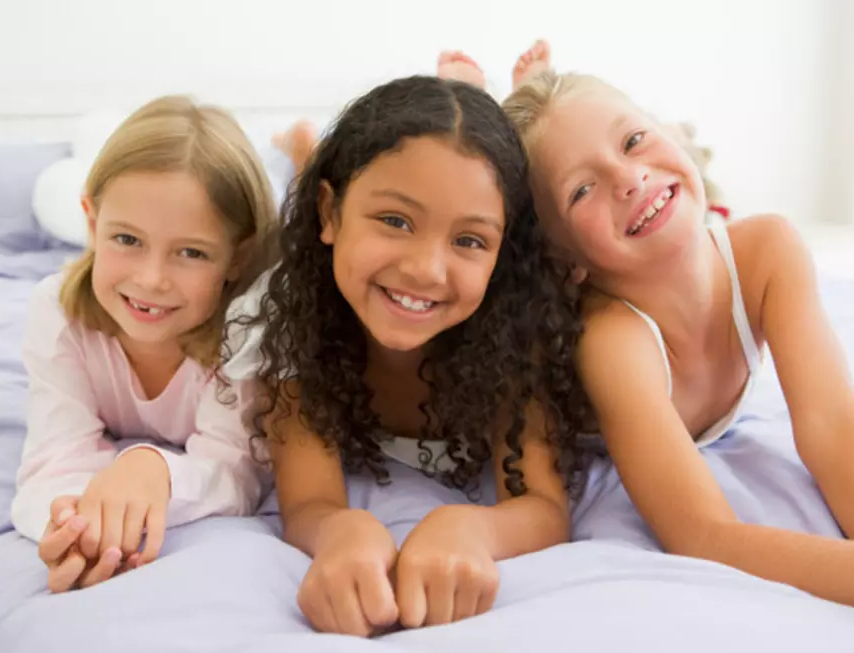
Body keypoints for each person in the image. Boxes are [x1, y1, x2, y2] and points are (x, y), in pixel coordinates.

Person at [497, 40, 854, 619]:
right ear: (567, 259)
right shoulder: (611, 339)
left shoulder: (767, 251)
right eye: (581, 188)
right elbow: (703, 534)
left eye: (634, 140)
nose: (628, 176)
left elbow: (832, 423)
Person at [227, 73, 590, 636]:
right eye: (395, 221)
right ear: (329, 214)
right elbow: (309, 503)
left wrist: (470, 530)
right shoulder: (292, 326)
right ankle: (300, 154)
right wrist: (341, 531)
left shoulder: (515, 336)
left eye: (470, 240)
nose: (426, 269)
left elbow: (541, 505)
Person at [11, 95, 311, 592]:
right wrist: (78, 527)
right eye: (126, 239)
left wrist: (155, 469)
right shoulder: (57, 313)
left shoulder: (245, 327)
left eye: (191, 252)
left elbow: (236, 471)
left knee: (307, 244)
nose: (151, 280)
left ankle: (299, 154)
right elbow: (53, 461)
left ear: (236, 257)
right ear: (90, 221)